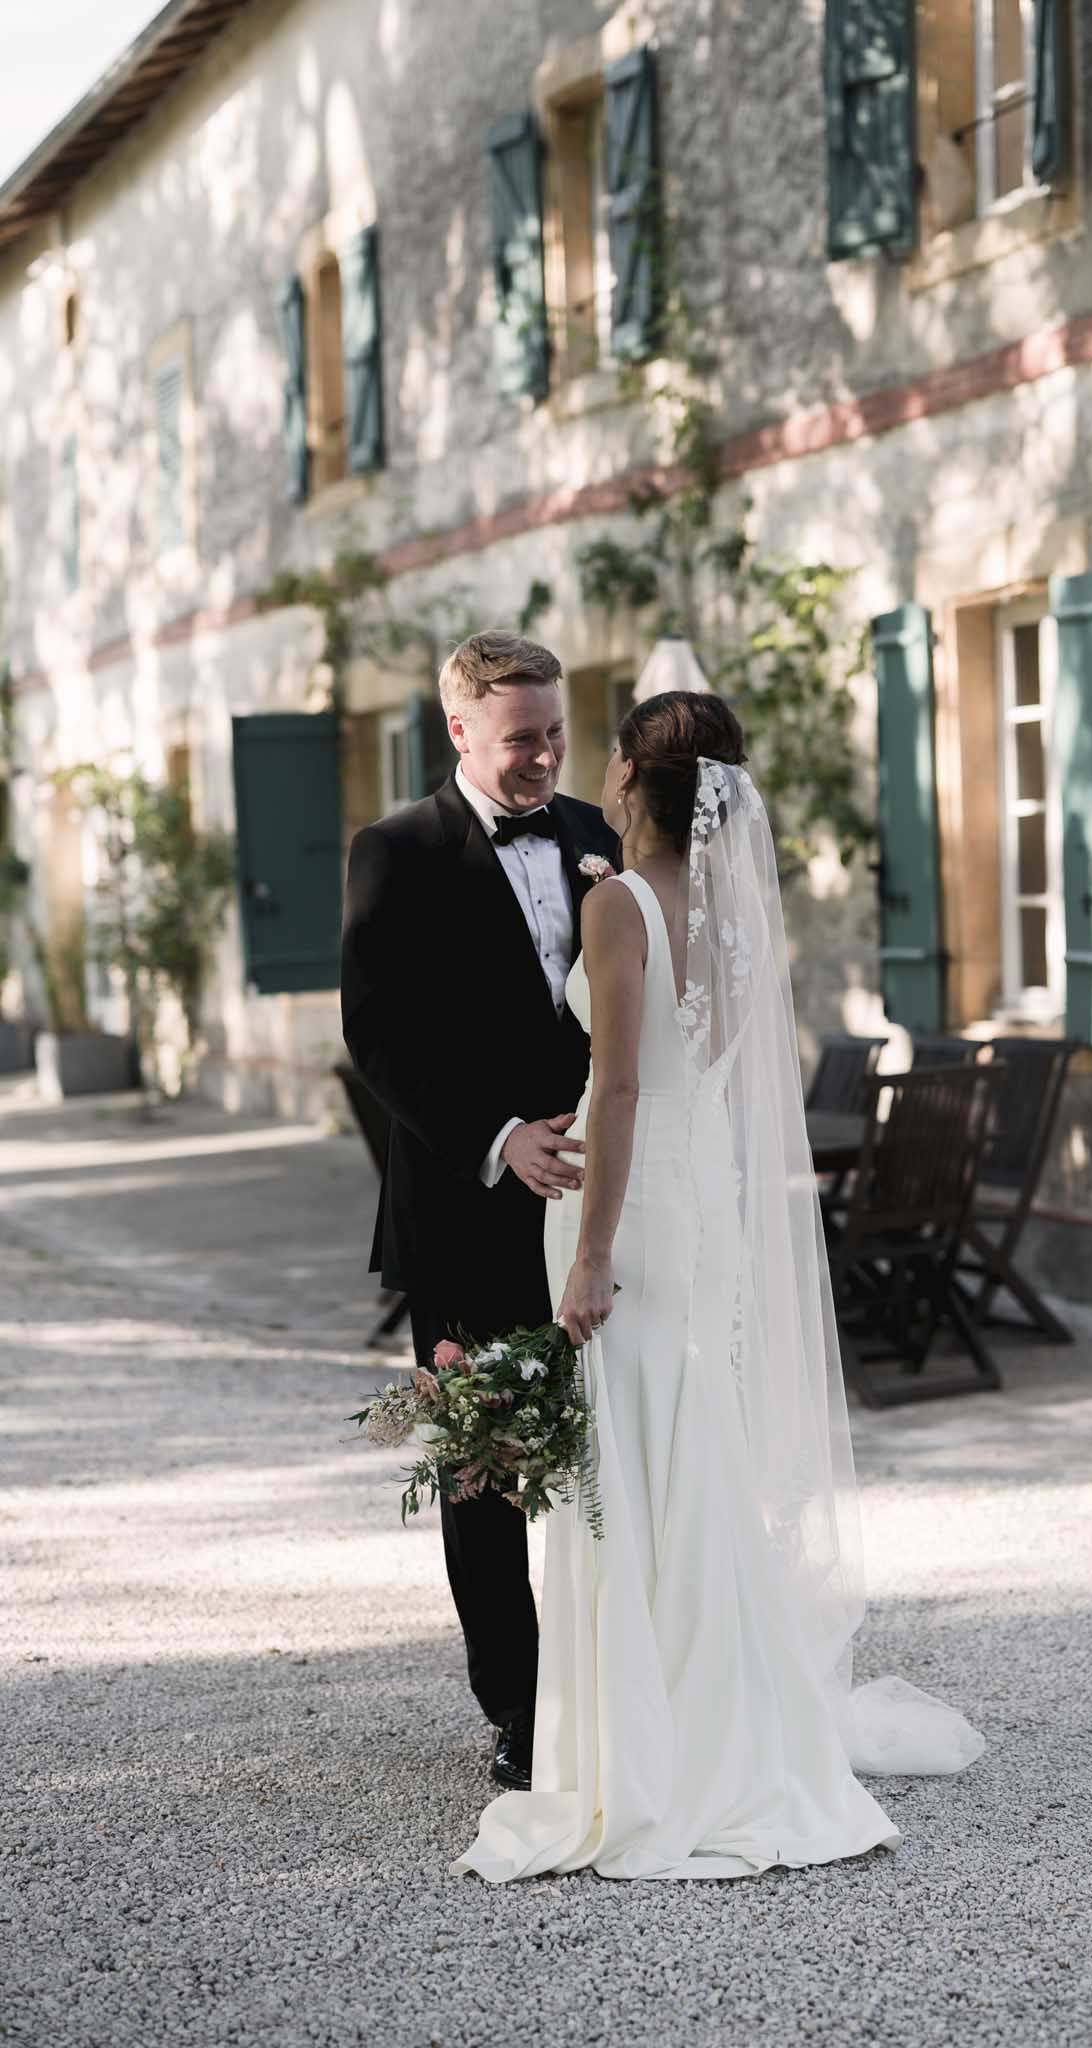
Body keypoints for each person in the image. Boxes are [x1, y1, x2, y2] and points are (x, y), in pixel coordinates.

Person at [451, 690, 985, 1883]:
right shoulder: (732, 916)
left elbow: (624, 1087)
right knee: (687, 1449)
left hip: (625, 1204)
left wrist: (588, 1251)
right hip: (700, 1206)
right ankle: (719, 1720)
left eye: (610, 754)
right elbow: (709, 1066)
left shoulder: (615, 904)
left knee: (627, 1460)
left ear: (636, 780)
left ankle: (637, 1753)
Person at [340, 631, 618, 1792]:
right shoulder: (395, 850)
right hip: (466, 1209)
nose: (544, 756)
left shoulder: (597, 835)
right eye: (520, 738)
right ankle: (518, 1706)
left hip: (596, 1208)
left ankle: (621, 1687)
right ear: (458, 729)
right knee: (486, 1470)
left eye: (555, 732)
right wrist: (501, 1138)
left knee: (621, 1452)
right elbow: (377, 1032)